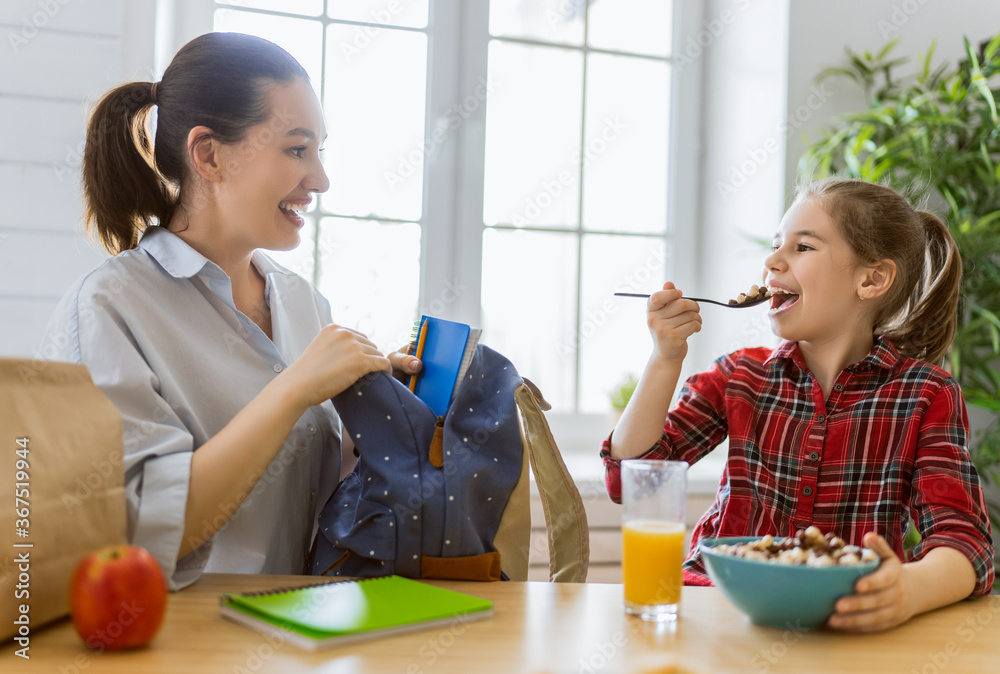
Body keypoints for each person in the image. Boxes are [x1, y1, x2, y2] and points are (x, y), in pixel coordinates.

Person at [39, 32, 420, 590]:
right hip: (180, 644)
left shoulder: (304, 304)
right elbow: (138, 536)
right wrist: (293, 389)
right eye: (296, 150)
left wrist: (372, 409)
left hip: (295, 628)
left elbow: (303, 493)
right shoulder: (106, 309)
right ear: (209, 155)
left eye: (319, 151)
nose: (319, 179)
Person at [603, 178, 994, 632]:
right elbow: (633, 482)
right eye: (775, 245)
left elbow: (965, 542)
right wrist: (664, 359)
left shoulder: (925, 394)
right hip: (717, 611)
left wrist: (907, 590)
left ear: (871, 279)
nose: (772, 261)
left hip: (844, 620)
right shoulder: (739, 376)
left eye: (803, 247)